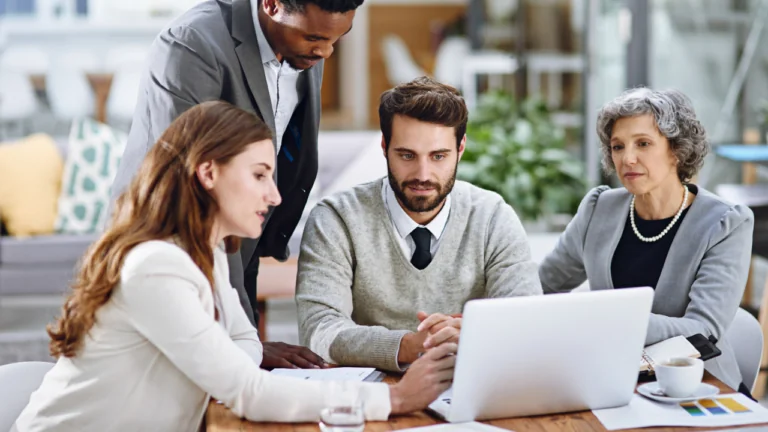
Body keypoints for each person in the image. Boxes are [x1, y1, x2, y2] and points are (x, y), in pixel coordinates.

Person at [13, 102, 457, 432]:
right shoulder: (157, 267)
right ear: (209, 173)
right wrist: (392, 398)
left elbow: (243, 347)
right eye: (260, 175)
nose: (275, 196)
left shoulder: (204, 253)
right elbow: (248, 391)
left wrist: (229, 361)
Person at [110, 0, 363, 369]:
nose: (326, 51)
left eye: (338, 38)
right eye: (314, 37)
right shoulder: (192, 46)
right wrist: (246, 344)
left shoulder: (307, 49)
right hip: (166, 249)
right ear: (271, 5)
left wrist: (248, 342)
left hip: (236, 243)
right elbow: (195, 196)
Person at [295, 77, 542, 372]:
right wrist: (408, 345)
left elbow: (525, 323)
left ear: (460, 148)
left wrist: (471, 333)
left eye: (438, 156)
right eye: (407, 155)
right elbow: (319, 331)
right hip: (372, 395)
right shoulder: (336, 218)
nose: (422, 174)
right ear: (385, 146)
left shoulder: (493, 218)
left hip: (468, 387)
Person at [538, 88, 754, 393]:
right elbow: (541, 285)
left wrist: (610, 319)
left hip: (697, 386)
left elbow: (702, 331)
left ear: (676, 150)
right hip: (613, 380)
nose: (627, 158)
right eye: (617, 146)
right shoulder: (598, 208)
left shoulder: (726, 223)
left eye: (643, 143)